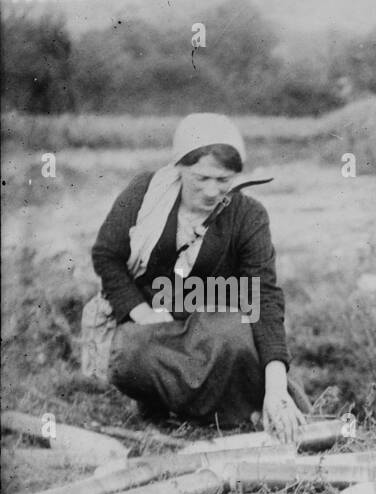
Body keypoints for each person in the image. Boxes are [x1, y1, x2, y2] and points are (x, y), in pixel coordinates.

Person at [86, 112, 304, 441]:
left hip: (215, 327)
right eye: (201, 178)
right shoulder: (146, 194)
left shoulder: (249, 216)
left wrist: (276, 389)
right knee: (128, 353)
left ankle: (235, 415)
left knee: (237, 337)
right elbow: (107, 255)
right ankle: (160, 409)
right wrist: (141, 312)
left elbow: (264, 299)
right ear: (179, 167)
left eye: (224, 180)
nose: (212, 191)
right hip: (157, 324)